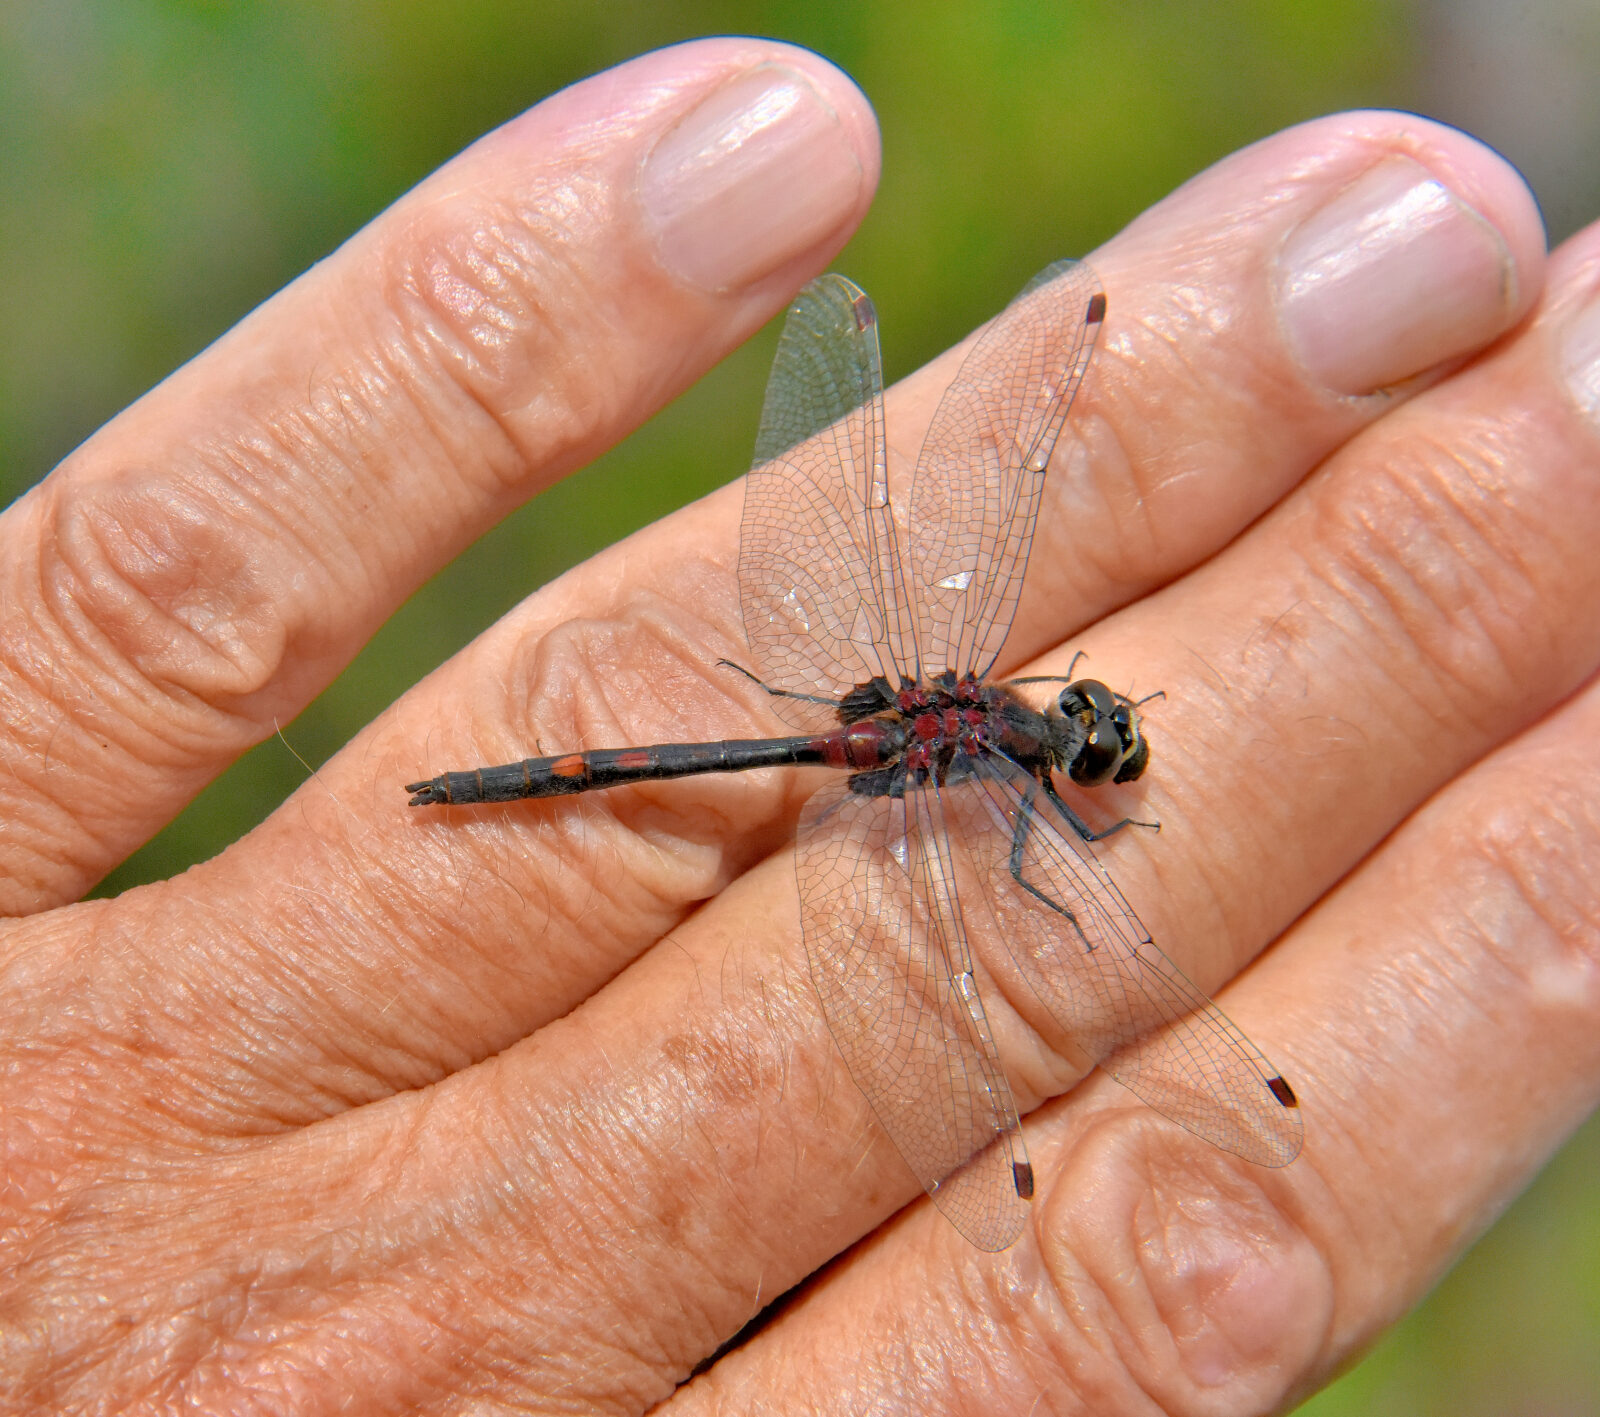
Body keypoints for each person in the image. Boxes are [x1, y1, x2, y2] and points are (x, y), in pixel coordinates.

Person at [1, 34, 1594, 1415]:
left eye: (1095, 733)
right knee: (650, 762)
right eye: (1102, 737)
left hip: (862, 726)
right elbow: (1033, 884)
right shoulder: (1006, 768)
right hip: (849, 743)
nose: (1095, 736)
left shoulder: (981, 713)